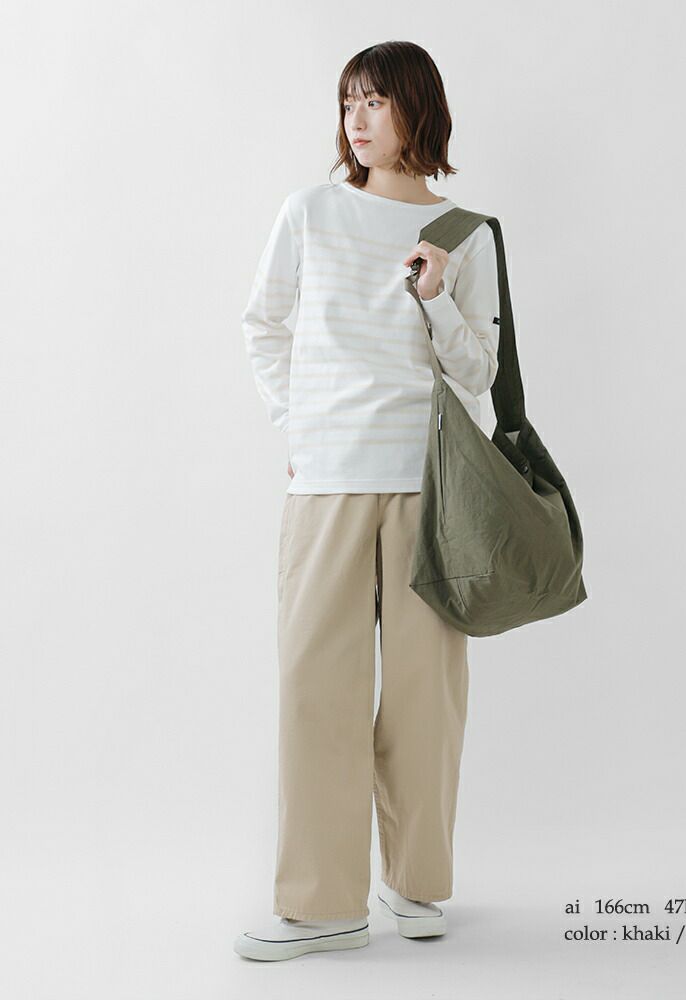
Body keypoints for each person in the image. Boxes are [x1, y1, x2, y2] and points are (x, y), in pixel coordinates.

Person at [234, 40, 501, 962]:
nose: (356, 118)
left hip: (432, 486)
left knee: (427, 697)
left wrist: (436, 297)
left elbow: (480, 374)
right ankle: (322, 904)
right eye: (349, 100)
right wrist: (298, 425)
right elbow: (263, 324)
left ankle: (416, 884)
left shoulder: (468, 234)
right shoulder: (310, 212)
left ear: (418, 110)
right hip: (329, 481)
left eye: (376, 100)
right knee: (317, 687)